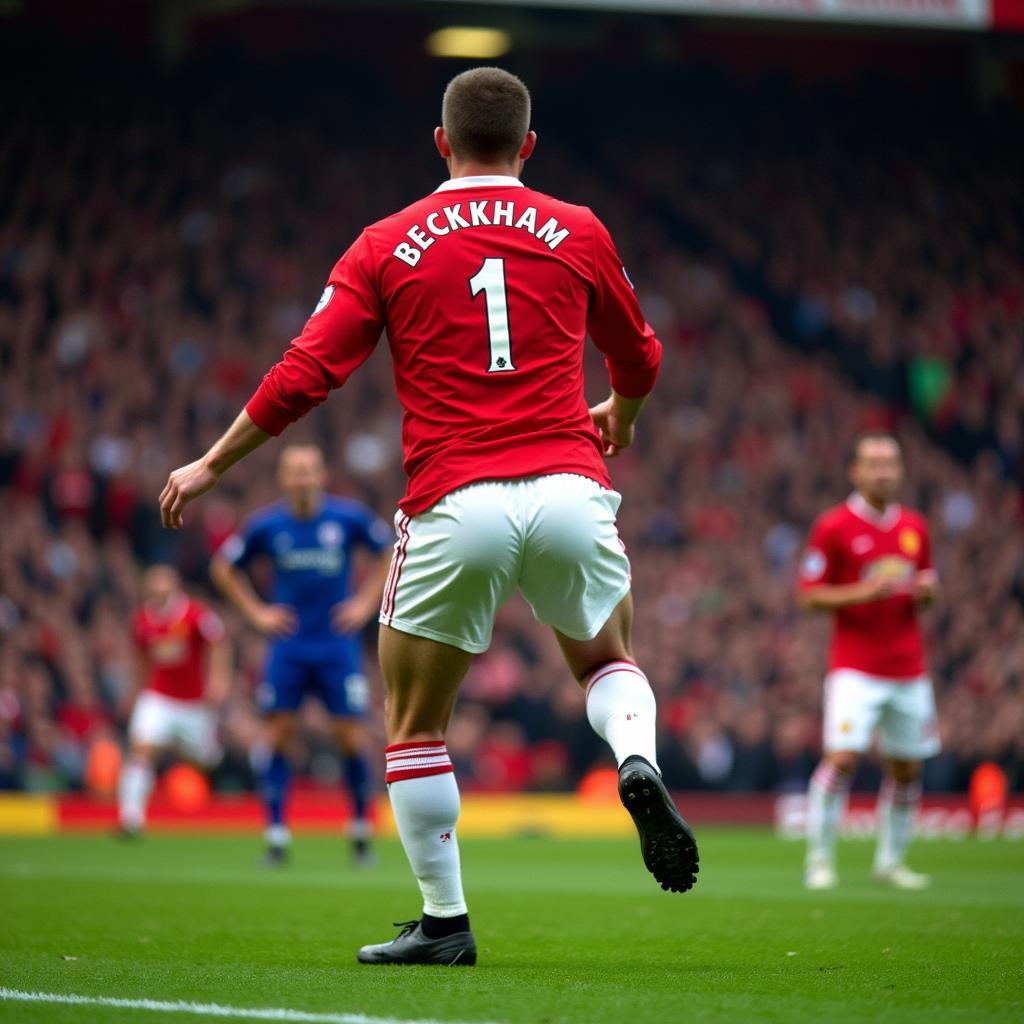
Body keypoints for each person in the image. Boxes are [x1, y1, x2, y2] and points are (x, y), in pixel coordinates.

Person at [158, 66, 698, 966]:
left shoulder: (386, 241)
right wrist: (622, 419)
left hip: (456, 499)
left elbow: (307, 372)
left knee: (414, 722)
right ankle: (635, 760)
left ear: (441, 143)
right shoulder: (580, 228)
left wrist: (214, 461)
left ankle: (445, 923)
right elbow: (639, 354)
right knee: (607, 660)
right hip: (570, 486)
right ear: (528, 147)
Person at [211, 443, 392, 865]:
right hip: (289, 647)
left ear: (323, 475)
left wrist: (366, 604)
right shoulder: (267, 525)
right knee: (277, 736)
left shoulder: (347, 517)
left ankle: (361, 833)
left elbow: (390, 549)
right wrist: (257, 612)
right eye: (295, 471)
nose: (303, 478)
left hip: (336, 646)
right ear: (282, 478)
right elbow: (223, 567)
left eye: (309, 470)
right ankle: (276, 836)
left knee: (350, 737)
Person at [798, 433, 941, 890]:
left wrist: (929, 593)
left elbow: (929, 589)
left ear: (900, 471)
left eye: (891, 464)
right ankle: (819, 860)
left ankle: (890, 863)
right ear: (855, 471)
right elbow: (809, 596)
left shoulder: (915, 527)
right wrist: (863, 592)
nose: (883, 472)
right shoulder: (834, 526)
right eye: (874, 464)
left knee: (908, 768)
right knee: (842, 758)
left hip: (908, 668)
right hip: (855, 667)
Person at [118, 565, 230, 835]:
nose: (159, 589)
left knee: (205, 760)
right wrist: (134, 690)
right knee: (141, 749)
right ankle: (130, 819)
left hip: (194, 704)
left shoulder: (195, 614)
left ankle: (225, 797)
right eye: (154, 584)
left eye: (164, 583)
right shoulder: (142, 620)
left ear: (175, 585)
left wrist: (219, 679)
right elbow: (140, 659)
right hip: (159, 697)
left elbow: (219, 643)